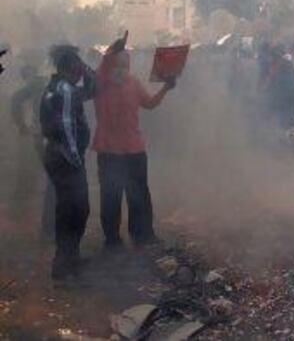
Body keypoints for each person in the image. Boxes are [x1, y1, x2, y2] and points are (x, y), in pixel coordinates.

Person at [93, 32, 175, 249]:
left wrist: (166, 88)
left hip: (134, 148)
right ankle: (112, 240)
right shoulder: (100, 83)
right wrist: (112, 49)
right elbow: (100, 68)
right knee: (111, 196)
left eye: (125, 65)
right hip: (109, 150)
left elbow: (149, 103)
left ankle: (142, 235)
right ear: (109, 65)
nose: (121, 69)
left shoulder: (133, 82)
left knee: (139, 194)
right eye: (117, 65)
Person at [39, 45, 96, 280]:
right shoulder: (65, 89)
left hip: (58, 157)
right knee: (75, 210)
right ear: (68, 68)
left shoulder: (62, 86)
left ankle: (69, 259)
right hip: (65, 158)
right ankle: (64, 267)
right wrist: (74, 159)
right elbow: (65, 127)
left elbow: (93, 91)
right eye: (77, 65)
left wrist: (89, 71)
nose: (80, 69)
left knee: (71, 209)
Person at [10, 64, 54, 239]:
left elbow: (16, 99)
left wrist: (22, 125)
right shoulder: (41, 84)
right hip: (47, 137)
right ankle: (49, 229)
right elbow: (16, 99)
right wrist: (22, 125)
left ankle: (48, 228)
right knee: (55, 182)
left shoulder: (42, 83)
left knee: (52, 181)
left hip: (45, 136)